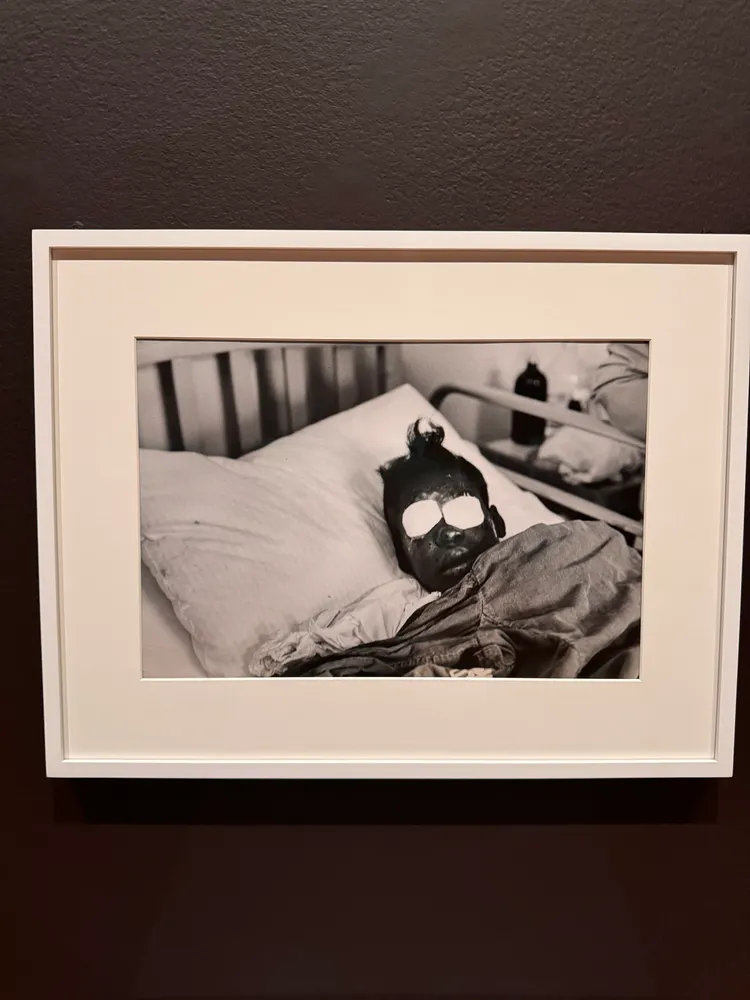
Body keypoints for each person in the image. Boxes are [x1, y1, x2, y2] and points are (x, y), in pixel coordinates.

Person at [248, 418, 642, 679]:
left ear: (496, 523)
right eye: (420, 523)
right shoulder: (398, 610)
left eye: (462, 510)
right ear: (403, 556)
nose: (447, 533)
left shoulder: (550, 551)